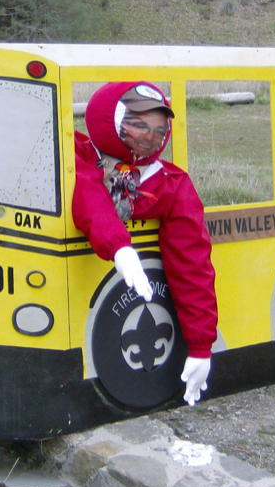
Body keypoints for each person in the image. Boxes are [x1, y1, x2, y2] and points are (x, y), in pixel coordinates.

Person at [73, 81, 218, 406]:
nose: (150, 135)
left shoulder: (168, 182)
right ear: (112, 119)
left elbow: (192, 263)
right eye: (138, 124)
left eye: (158, 126)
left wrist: (201, 345)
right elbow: (87, 195)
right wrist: (120, 247)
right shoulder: (79, 158)